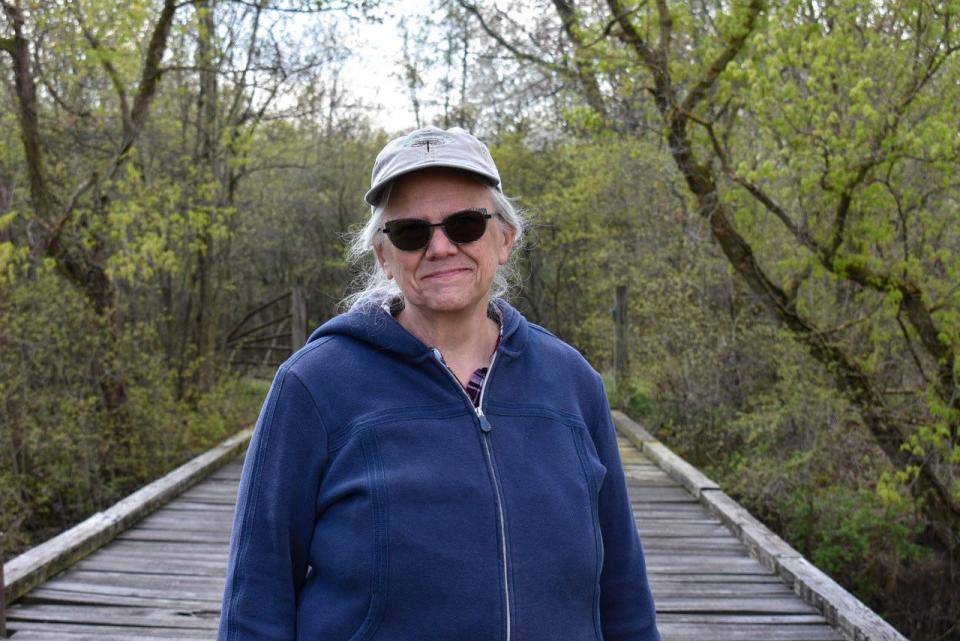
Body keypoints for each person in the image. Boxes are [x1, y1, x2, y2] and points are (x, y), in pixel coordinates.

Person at [217, 126, 660, 641]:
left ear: (505, 240)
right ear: (383, 256)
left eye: (466, 224)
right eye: (411, 232)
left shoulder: (572, 383)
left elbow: (623, 590)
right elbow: (257, 594)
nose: (441, 247)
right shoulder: (313, 386)